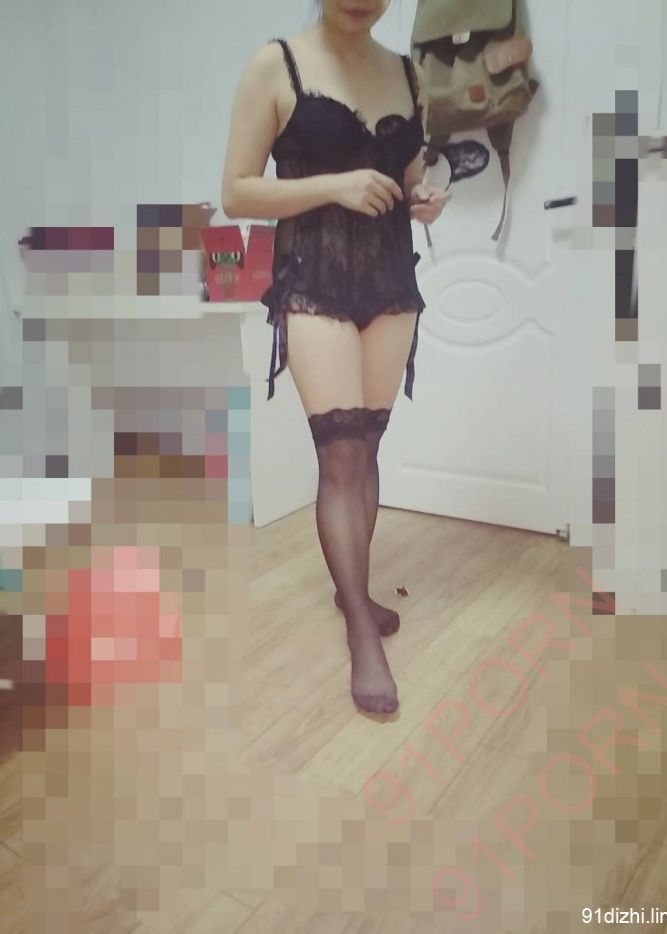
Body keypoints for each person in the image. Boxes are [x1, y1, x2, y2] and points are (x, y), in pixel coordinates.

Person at [221, 0, 448, 715]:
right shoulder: (276, 64)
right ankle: (360, 631)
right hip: (313, 280)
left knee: (369, 449)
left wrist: (422, 196)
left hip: (391, 280)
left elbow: (406, 174)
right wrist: (334, 186)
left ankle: (356, 591)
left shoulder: (407, 72)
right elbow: (237, 192)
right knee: (341, 457)